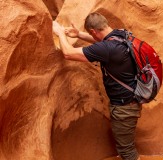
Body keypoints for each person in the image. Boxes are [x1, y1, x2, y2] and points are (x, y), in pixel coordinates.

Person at [52, 12, 142, 160]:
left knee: (127, 151)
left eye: (91, 34)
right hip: (131, 101)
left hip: (124, 108)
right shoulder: (120, 35)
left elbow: (68, 53)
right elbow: (101, 42)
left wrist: (60, 33)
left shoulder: (107, 49)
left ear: (94, 31)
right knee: (124, 146)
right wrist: (79, 35)